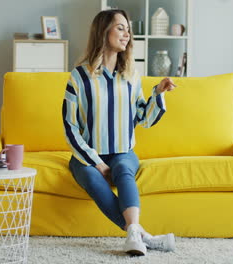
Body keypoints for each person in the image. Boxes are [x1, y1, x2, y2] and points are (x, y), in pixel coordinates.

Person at [62, 9, 176, 256]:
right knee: (93, 178)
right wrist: (97, 162)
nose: (127, 35)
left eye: (128, 29)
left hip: (123, 152)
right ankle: (143, 236)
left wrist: (158, 93)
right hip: (86, 157)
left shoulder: (132, 77)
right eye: (121, 28)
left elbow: (143, 119)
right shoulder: (79, 76)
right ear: (104, 32)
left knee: (124, 169)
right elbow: (69, 127)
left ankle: (134, 233)